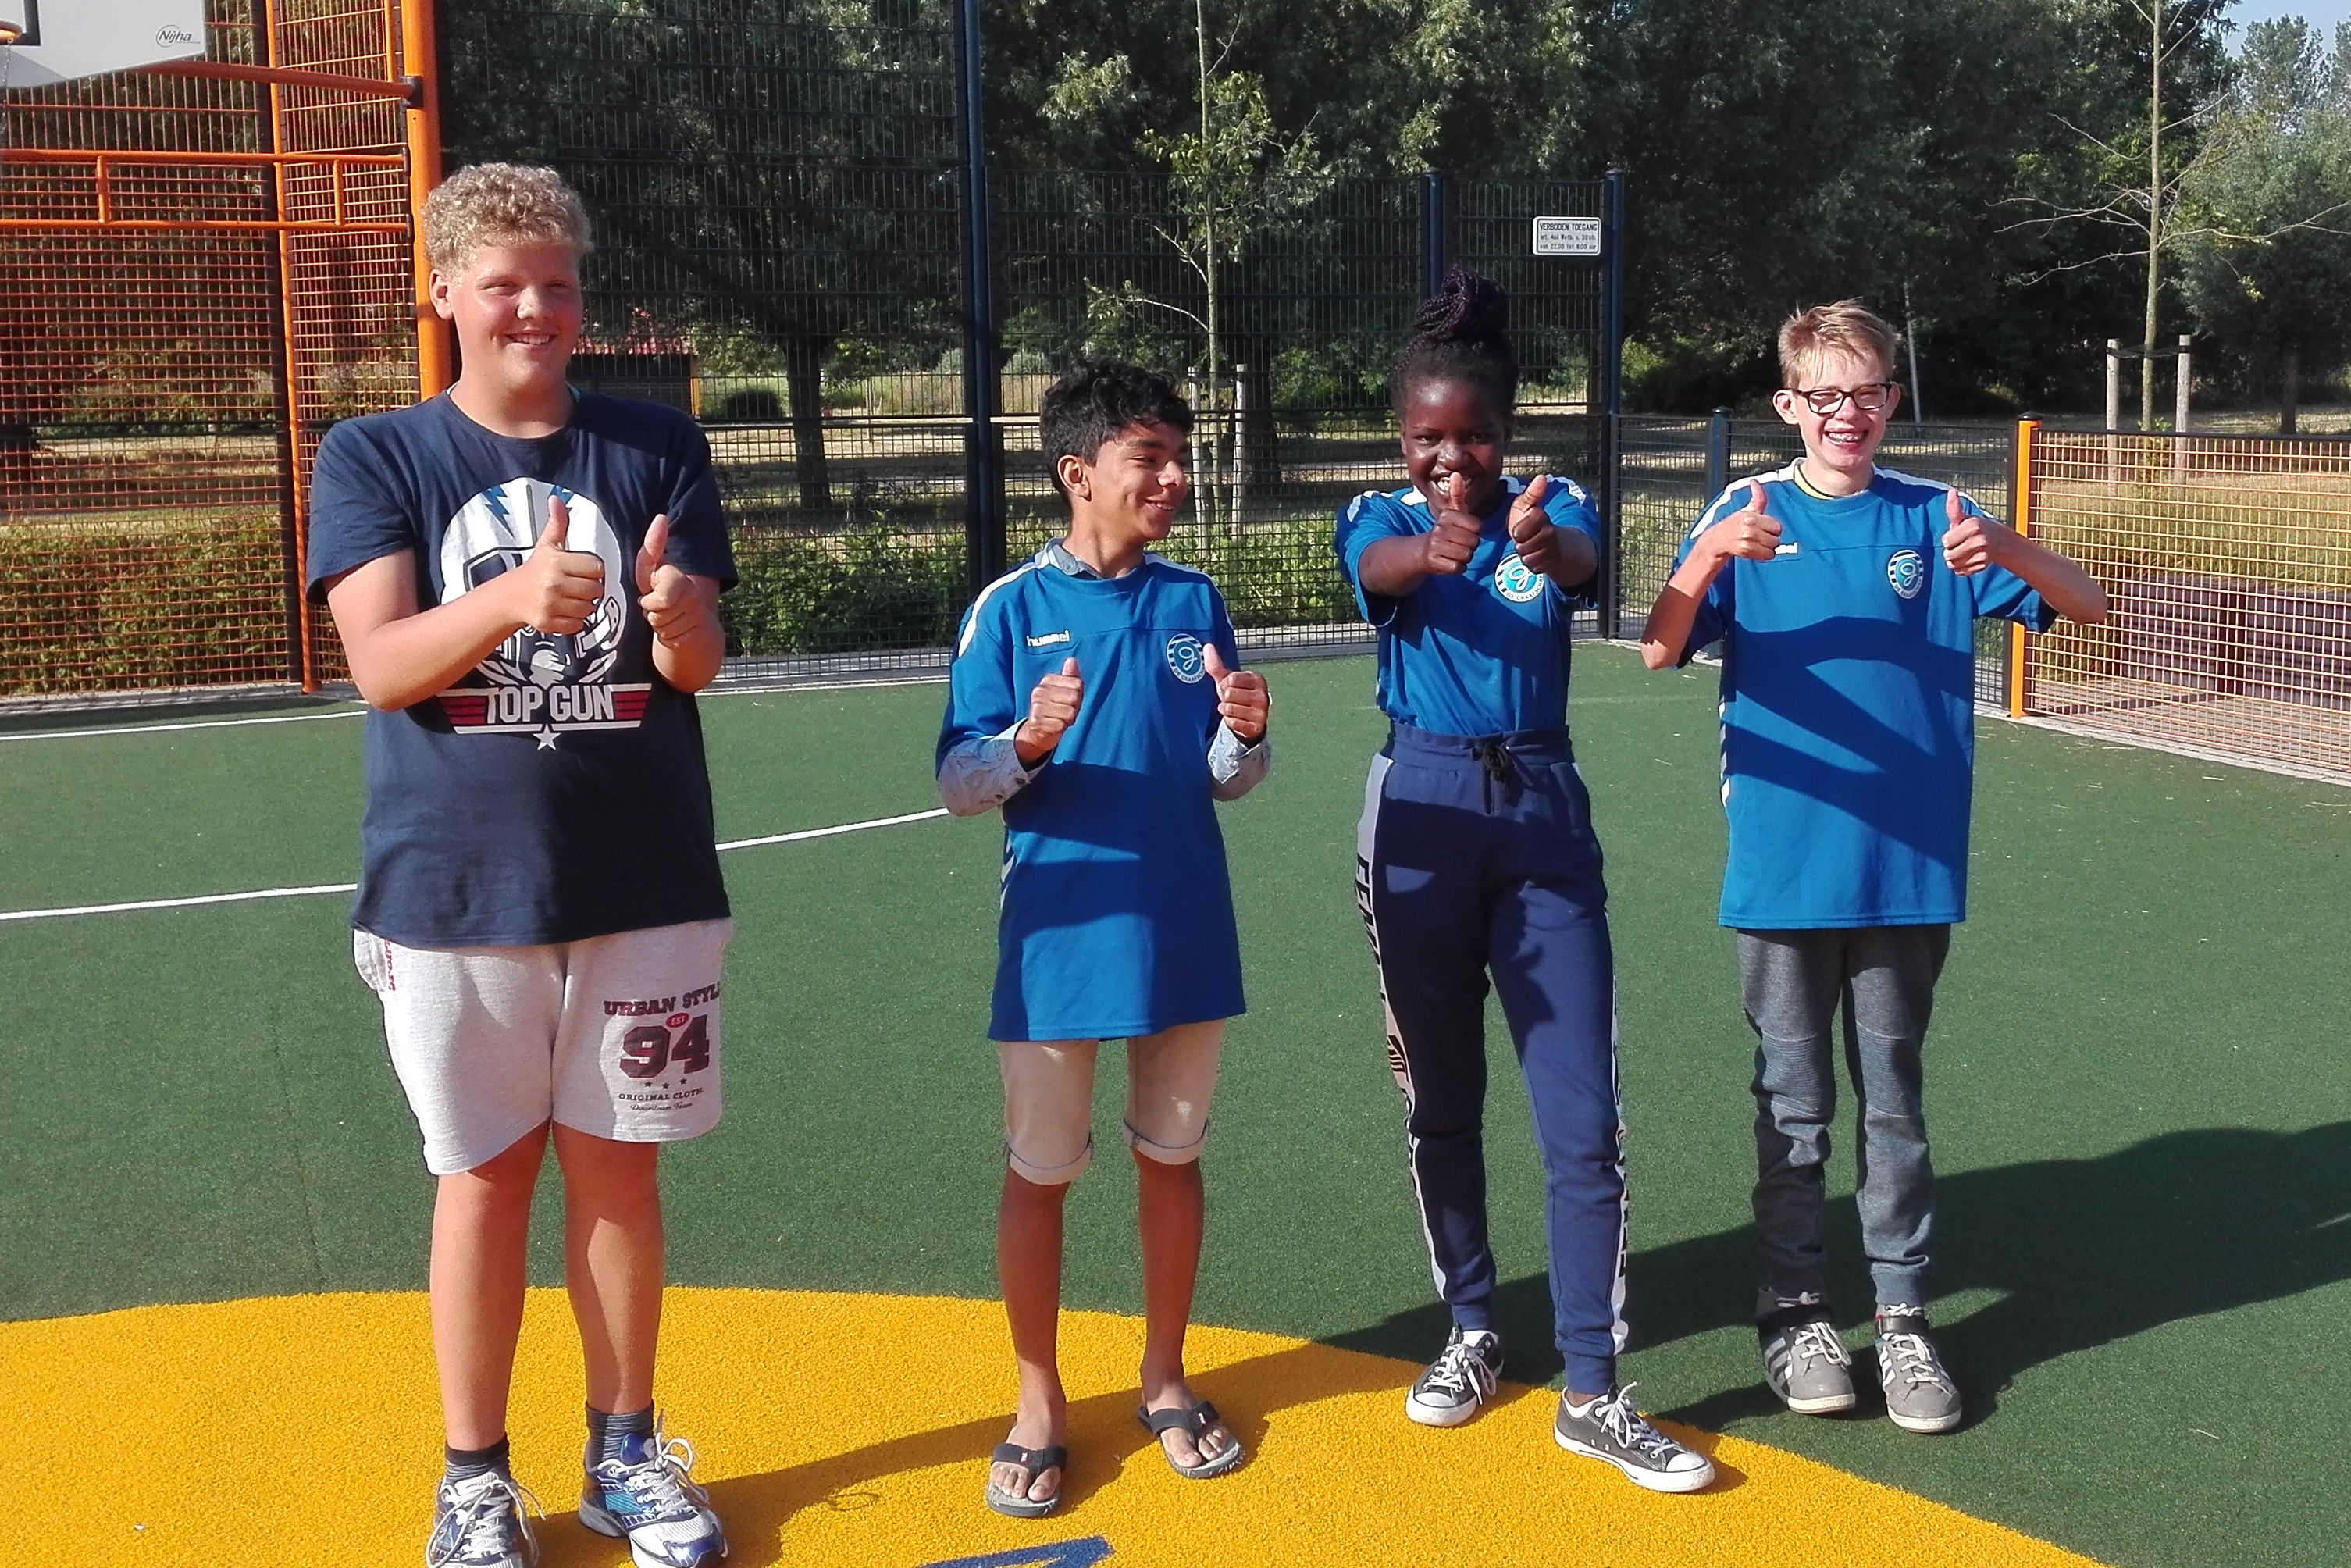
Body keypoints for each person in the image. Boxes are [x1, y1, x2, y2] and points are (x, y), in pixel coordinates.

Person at [309, 163, 734, 1568]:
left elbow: (693, 665)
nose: (536, 309)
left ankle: (626, 1457)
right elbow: (382, 666)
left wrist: (676, 615)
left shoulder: (656, 447)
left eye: (558, 283)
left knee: (621, 1179)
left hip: (644, 882)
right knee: (484, 1181)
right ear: (445, 293)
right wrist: (508, 598)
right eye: (504, 284)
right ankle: (476, 1483)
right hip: (456, 890)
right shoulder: (376, 455)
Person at [1639, 298, 2109, 1434]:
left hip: (1906, 868)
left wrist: (2004, 546)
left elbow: (2087, 604)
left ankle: (1902, 1316)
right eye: (1826, 395)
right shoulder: (1747, 510)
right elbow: (1659, 647)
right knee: (1793, 1106)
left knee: (1893, 1102)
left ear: (1894, 397)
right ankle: (1796, 1309)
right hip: (1786, 868)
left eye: (1869, 392)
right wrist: (1706, 554)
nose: (1848, 414)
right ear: (1790, 404)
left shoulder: (1939, 515)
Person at [1334, 269, 1714, 1494]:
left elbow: (1584, 561)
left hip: (1542, 812)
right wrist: (1426, 551)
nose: (1452, 460)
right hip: (1421, 815)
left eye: (1474, 437)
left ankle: (1593, 1388)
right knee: (1441, 1102)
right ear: (1402, 440)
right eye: (1427, 440)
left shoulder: (1553, 508)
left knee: (1583, 1123)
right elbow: (1381, 566)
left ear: (1508, 433)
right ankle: (1472, 1328)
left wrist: (1546, 547)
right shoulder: (1373, 515)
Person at [937, 359, 1272, 1518]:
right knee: (1041, 1173)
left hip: (1184, 925)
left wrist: (1245, 738)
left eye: (1180, 457)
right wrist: (1025, 743)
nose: (1174, 478)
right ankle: (1038, 1402)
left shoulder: (1195, 600)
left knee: (1172, 1158)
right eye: (1150, 459)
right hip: (1061, 937)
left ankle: (1164, 1378)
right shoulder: (1009, 609)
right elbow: (958, 781)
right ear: (1078, 474)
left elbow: (1226, 777)